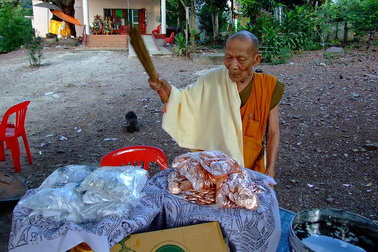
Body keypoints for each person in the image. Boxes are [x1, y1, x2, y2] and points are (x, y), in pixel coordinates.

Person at [149, 31, 285, 178]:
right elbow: (184, 100)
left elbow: (272, 132)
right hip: (217, 171)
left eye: (241, 59)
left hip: (253, 169)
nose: (233, 66)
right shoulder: (212, 80)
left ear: (256, 60)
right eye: (228, 58)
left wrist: (270, 169)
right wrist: (166, 88)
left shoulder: (268, 86)